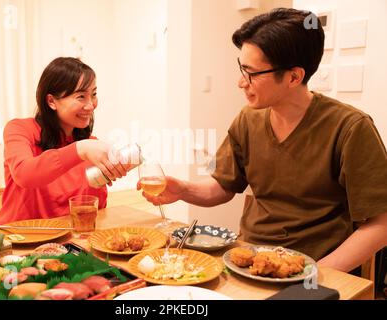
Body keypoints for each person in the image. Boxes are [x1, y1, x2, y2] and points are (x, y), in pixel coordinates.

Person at [139, 8, 387, 273]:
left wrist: (312, 276)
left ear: (294, 77)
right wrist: (184, 190)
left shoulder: (350, 128)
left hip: (318, 270)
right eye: (241, 68)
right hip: (249, 262)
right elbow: (224, 186)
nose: (240, 82)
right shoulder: (248, 120)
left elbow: (380, 224)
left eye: (252, 73)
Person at [0, 57, 127, 224]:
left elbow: (94, 209)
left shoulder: (89, 144)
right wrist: (80, 150)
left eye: (93, 94)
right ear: (51, 101)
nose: (91, 105)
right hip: (20, 239)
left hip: (69, 242)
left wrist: (106, 174)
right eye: (81, 96)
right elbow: (24, 174)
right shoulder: (19, 129)